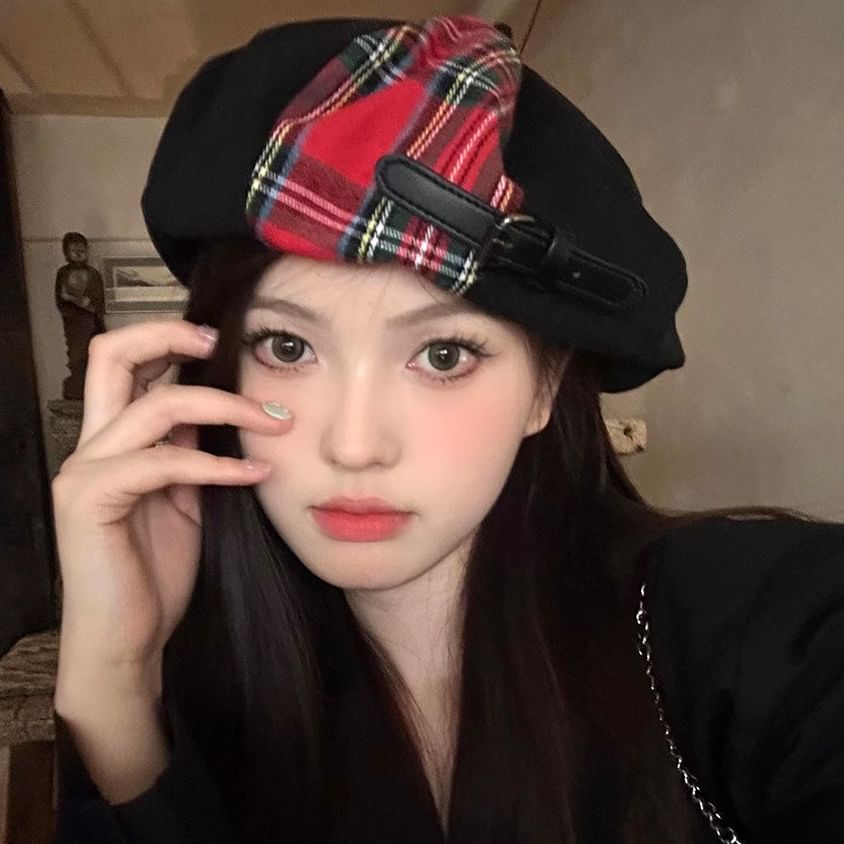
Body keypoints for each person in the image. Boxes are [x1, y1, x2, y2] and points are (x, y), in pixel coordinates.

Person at [49, 14, 844, 844]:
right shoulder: (213, 684)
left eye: (442, 354)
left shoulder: (750, 631)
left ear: (545, 390)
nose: (354, 446)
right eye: (287, 347)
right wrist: (117, 685)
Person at [54, 231, 107, 400]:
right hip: (75, 323)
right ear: (66, 252)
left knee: (97, 355)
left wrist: (90, 305)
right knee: (77, 356)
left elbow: (99, 299)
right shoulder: (63, 273)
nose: (78, 254)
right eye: (73, 251)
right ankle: (79, 386)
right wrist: (76, 302)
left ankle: (96, 386)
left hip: (92, 320)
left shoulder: (93, 274)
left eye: (81, 250)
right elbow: (61, 298)